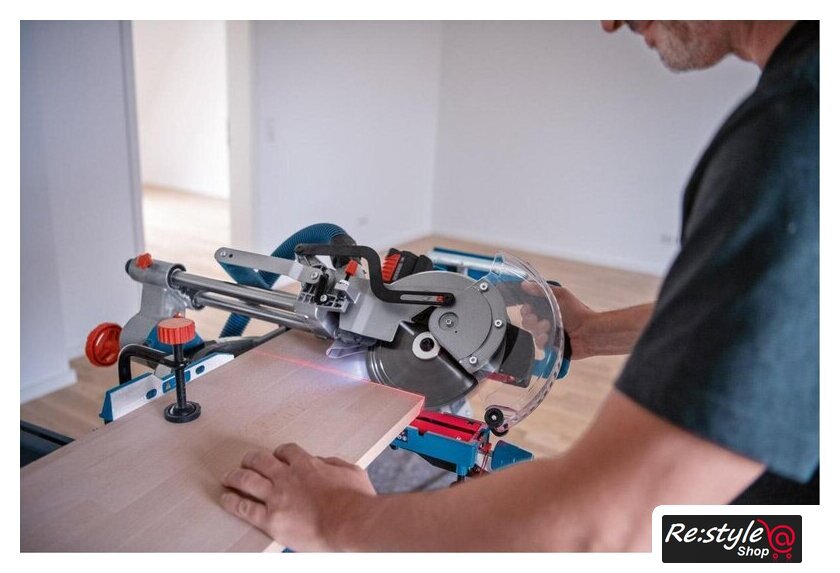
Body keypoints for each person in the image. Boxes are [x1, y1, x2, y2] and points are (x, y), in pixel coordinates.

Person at [217, 21, 819, 551]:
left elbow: (604, 530)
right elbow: (769, 320)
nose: (609, 21)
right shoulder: (807, 101)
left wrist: (337, 519)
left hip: (771, 542)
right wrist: (590, 332)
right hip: (780, 537)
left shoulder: (793, 136)